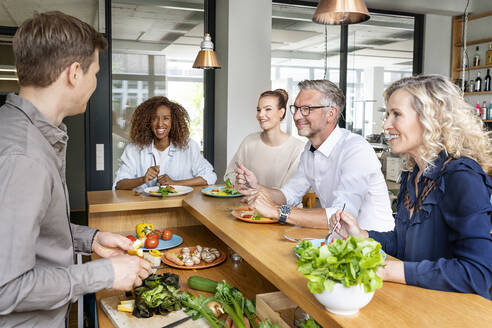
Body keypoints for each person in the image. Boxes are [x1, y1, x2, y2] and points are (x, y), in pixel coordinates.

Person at [0, 12, 152, 327]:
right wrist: (105, 273)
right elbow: (7, 288)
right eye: (95, 73)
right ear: (74, 73)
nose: (95, 83)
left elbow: (32, 232)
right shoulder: (24, 157)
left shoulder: (24, 131)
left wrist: (90, 239)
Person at [331, 75, 492, 299]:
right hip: (418, 302)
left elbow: (477, 273)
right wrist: (361, 235)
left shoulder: (462, 175)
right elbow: (404, 243)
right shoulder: (413, 173)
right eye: (388, 114)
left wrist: (391, 270)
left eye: (396, 114)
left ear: (431, 119)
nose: (386, 125)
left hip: (456, 313)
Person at [236, 80, 394, 231]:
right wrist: (256, 187)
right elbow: (289, 195)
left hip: (375, 247)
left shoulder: (355, 149)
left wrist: (278, 212)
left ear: (331, 114)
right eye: (296, 108)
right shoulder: (309, 149)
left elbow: (342, 215)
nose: (297, 116)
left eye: (306, 109)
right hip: (339, 240)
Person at [113, 96, 217, 190]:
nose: (160, 124)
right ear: (147, 122)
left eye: (166, 118)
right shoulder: (134, 149)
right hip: (145, 208)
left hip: (181, 208)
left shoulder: (189, 146)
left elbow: (209, 176)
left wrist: (174, 183)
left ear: (173, 121)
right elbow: (119, 184)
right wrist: (142, 179)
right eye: (154, 118)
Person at [223, 89, 305, 188]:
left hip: (281, 204)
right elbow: (228, 176)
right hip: (248, 203)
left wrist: (255, 186)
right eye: (258, 110)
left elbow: (289, 194)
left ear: (281, 112)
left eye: (268, 109)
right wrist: (237, 180)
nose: (260, 115)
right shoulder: (249, 141)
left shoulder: (298, 148)